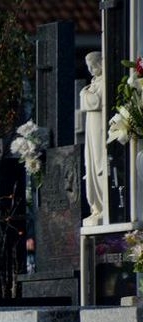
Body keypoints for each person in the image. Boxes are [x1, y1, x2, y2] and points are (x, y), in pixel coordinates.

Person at [81, 51, 106, 226]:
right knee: (89, 163)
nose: (90, 70)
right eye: (88, 67)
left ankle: (103, 205)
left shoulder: (104, 81)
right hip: (91, 124)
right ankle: (95, 207)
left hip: (99, 125)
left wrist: (84, 94)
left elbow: (97, 102)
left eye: (92, 66)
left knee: (98, 163)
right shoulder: (93, 83)